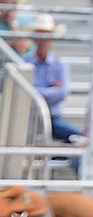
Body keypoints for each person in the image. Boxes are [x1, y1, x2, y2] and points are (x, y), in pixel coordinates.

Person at [22, 13, 88, 172]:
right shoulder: (26, 62)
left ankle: (59, 160)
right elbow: (27, 92)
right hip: (29, 118)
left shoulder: (59, 64)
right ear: (35, 39)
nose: (44, 41)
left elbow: (62, 93)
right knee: (78, 138)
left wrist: (35, 92)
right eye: (41, 36)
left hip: (52, 118)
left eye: (47, 36)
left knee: (81, 140)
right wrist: (51, 90)